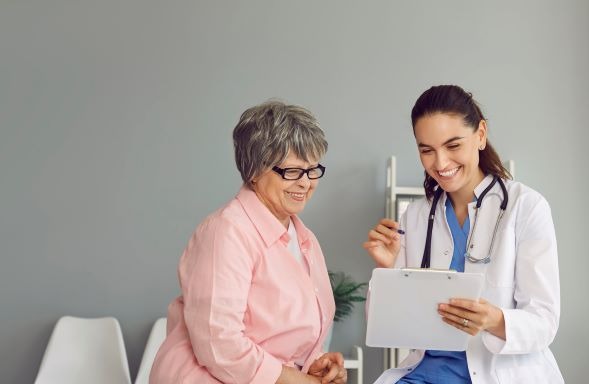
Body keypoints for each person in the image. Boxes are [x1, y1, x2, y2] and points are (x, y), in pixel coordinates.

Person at [363, 85, 564, 383]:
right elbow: (387, 326)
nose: (441, 163)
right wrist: (387, 269)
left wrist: (495, 320)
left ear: (480, 135)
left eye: (453, 146)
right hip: (425, 375)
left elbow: (544, 322)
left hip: (500, 374)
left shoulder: (526, 207)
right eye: (427, 150)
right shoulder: (417, 215)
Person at [150, 100, 346, 384]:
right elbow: (219, 343)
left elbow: (280, 336)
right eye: (292, 171)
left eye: (312, 169)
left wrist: (312, 366)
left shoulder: (305, 239)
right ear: (254, 171)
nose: (305, 183)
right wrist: (292, 380)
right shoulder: (226, 232)